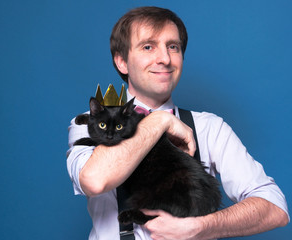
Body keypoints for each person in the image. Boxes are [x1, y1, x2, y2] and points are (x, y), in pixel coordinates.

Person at [67, 6, 289, 240]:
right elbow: (94, 179)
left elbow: (275, 207)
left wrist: (203, 226)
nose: (164, 59)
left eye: (173, 47)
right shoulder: (89, 123)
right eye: (148, 46)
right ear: (122, 62)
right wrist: (160, 120)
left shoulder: (209, 128)